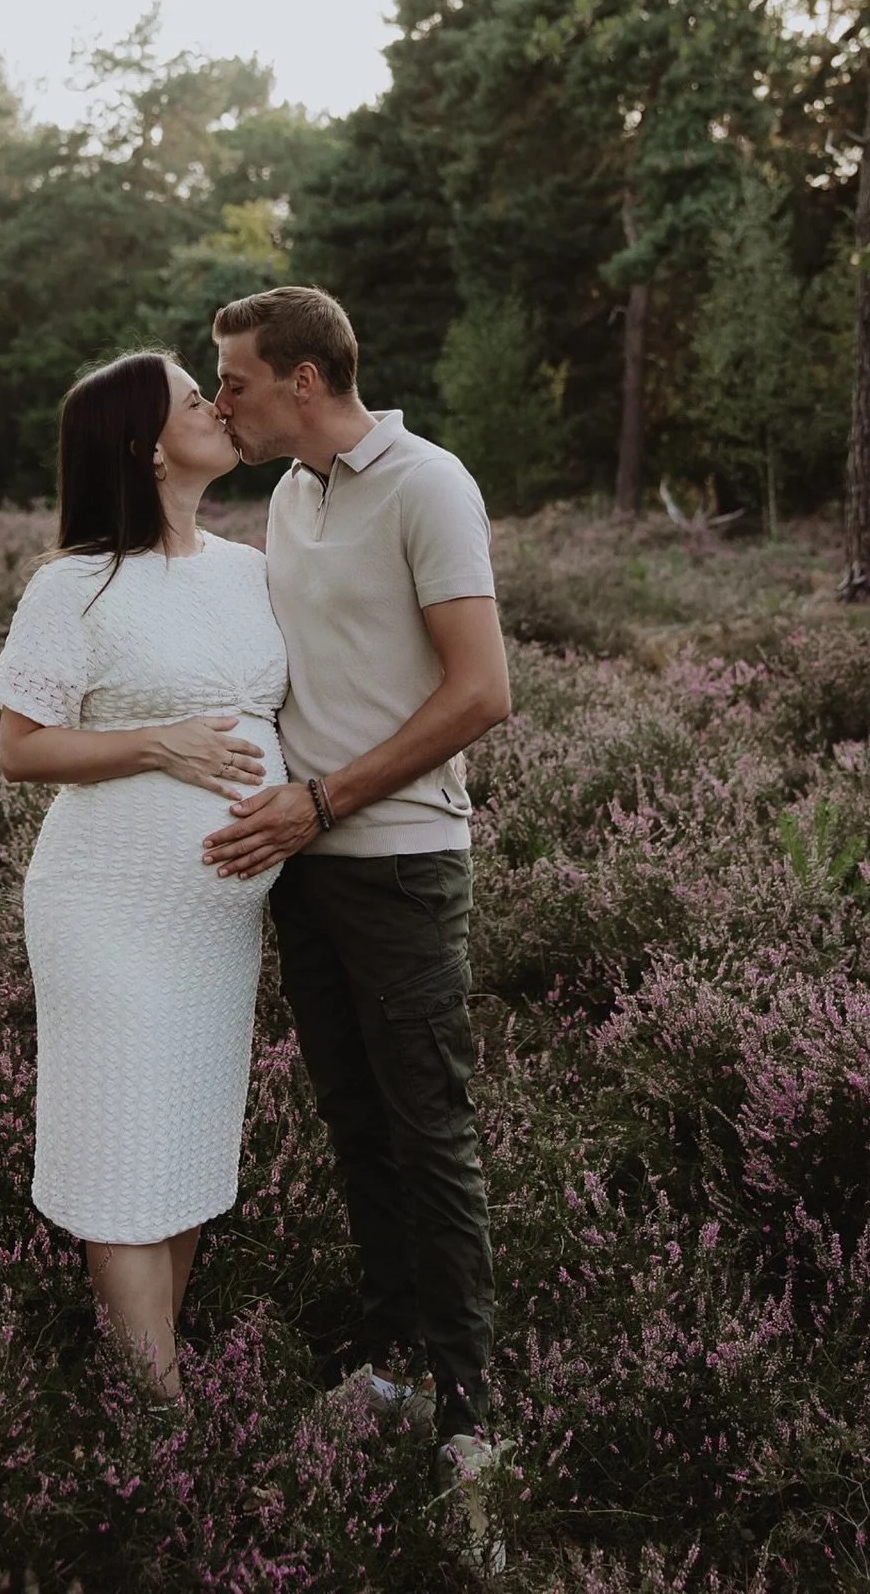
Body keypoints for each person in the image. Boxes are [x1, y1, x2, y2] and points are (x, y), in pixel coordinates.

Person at [202, 288, 511, 1519]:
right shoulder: (289, 494)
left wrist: (325, 802)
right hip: (306, 864)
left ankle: (476, 1423)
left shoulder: (428, 482)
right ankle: (392, 1370)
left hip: (395, 857)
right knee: (355, 1125)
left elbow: (483, 691)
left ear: (304, 382)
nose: (220, 400)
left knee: (431, 1131)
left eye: (233, 380)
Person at [0, 351, 288, 1401]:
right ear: (147, 446)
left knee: (186, 1152)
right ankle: (166, 1424)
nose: (219, 404)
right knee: (117, 1149)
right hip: (105, 909)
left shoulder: (250, 568)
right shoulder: (75, 584)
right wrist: (158, 745)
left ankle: (155, 1379)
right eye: (197, 398)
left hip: (215, 926)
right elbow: (22, 749)